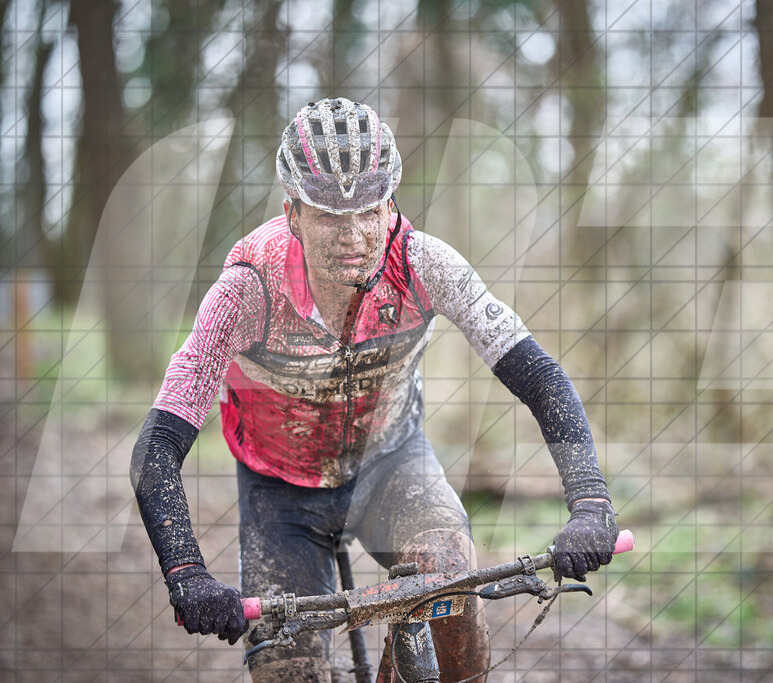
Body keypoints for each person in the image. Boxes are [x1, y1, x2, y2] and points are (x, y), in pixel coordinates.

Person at [130, 97, 619, 682]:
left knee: (449, 580)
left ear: (390, 204)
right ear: (292, 214)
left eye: (369, 210)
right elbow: (157, 446)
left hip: (392, 464)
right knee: (289, 672)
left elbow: (541, 375)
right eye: (330, 216)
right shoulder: (245, 290)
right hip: (279, 493)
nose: (355, 235)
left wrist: (591, 502)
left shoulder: (424, 263)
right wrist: (186, 571)